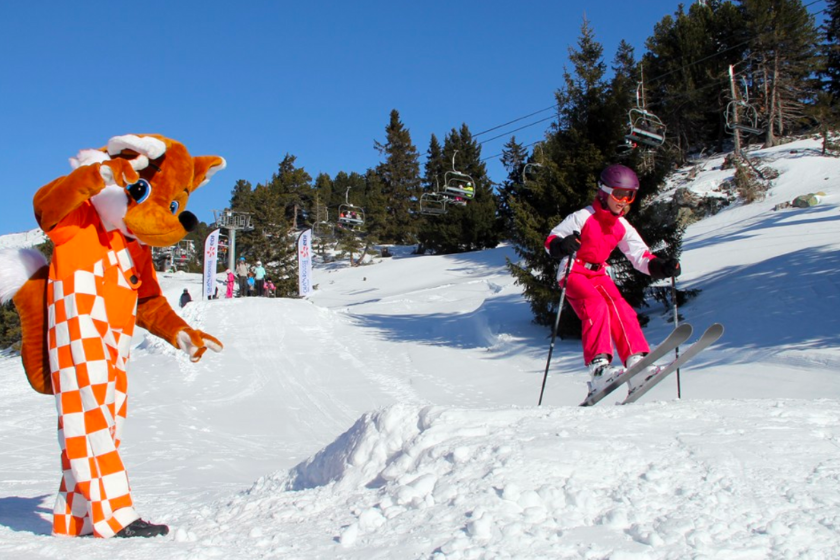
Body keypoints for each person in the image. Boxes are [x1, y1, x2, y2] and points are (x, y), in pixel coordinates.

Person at [545, 164, 681, 397]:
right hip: (574, 270)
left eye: (629, 196)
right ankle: (599, 370)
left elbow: (640, 256)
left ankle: (637, 364)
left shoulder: (621, 226)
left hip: (599, 274)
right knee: (595, 304)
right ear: (604, 192)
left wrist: (661, 267)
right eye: (619, 194)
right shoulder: (583, 216)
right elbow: (551, 240)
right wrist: (562, 245)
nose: (624, 201)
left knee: (621, 308)